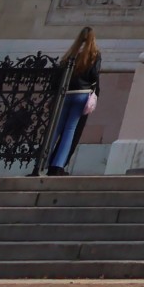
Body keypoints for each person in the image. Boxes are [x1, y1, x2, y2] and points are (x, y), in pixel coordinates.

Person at [45, 26, 101, 176]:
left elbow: (58, 75)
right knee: (70, 130)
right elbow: (94, 75)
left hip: (65, 94)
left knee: (56, 129)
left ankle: (43, 162)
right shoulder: (93, 55)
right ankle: (58, 165)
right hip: (81, 94)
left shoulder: (71, 54)